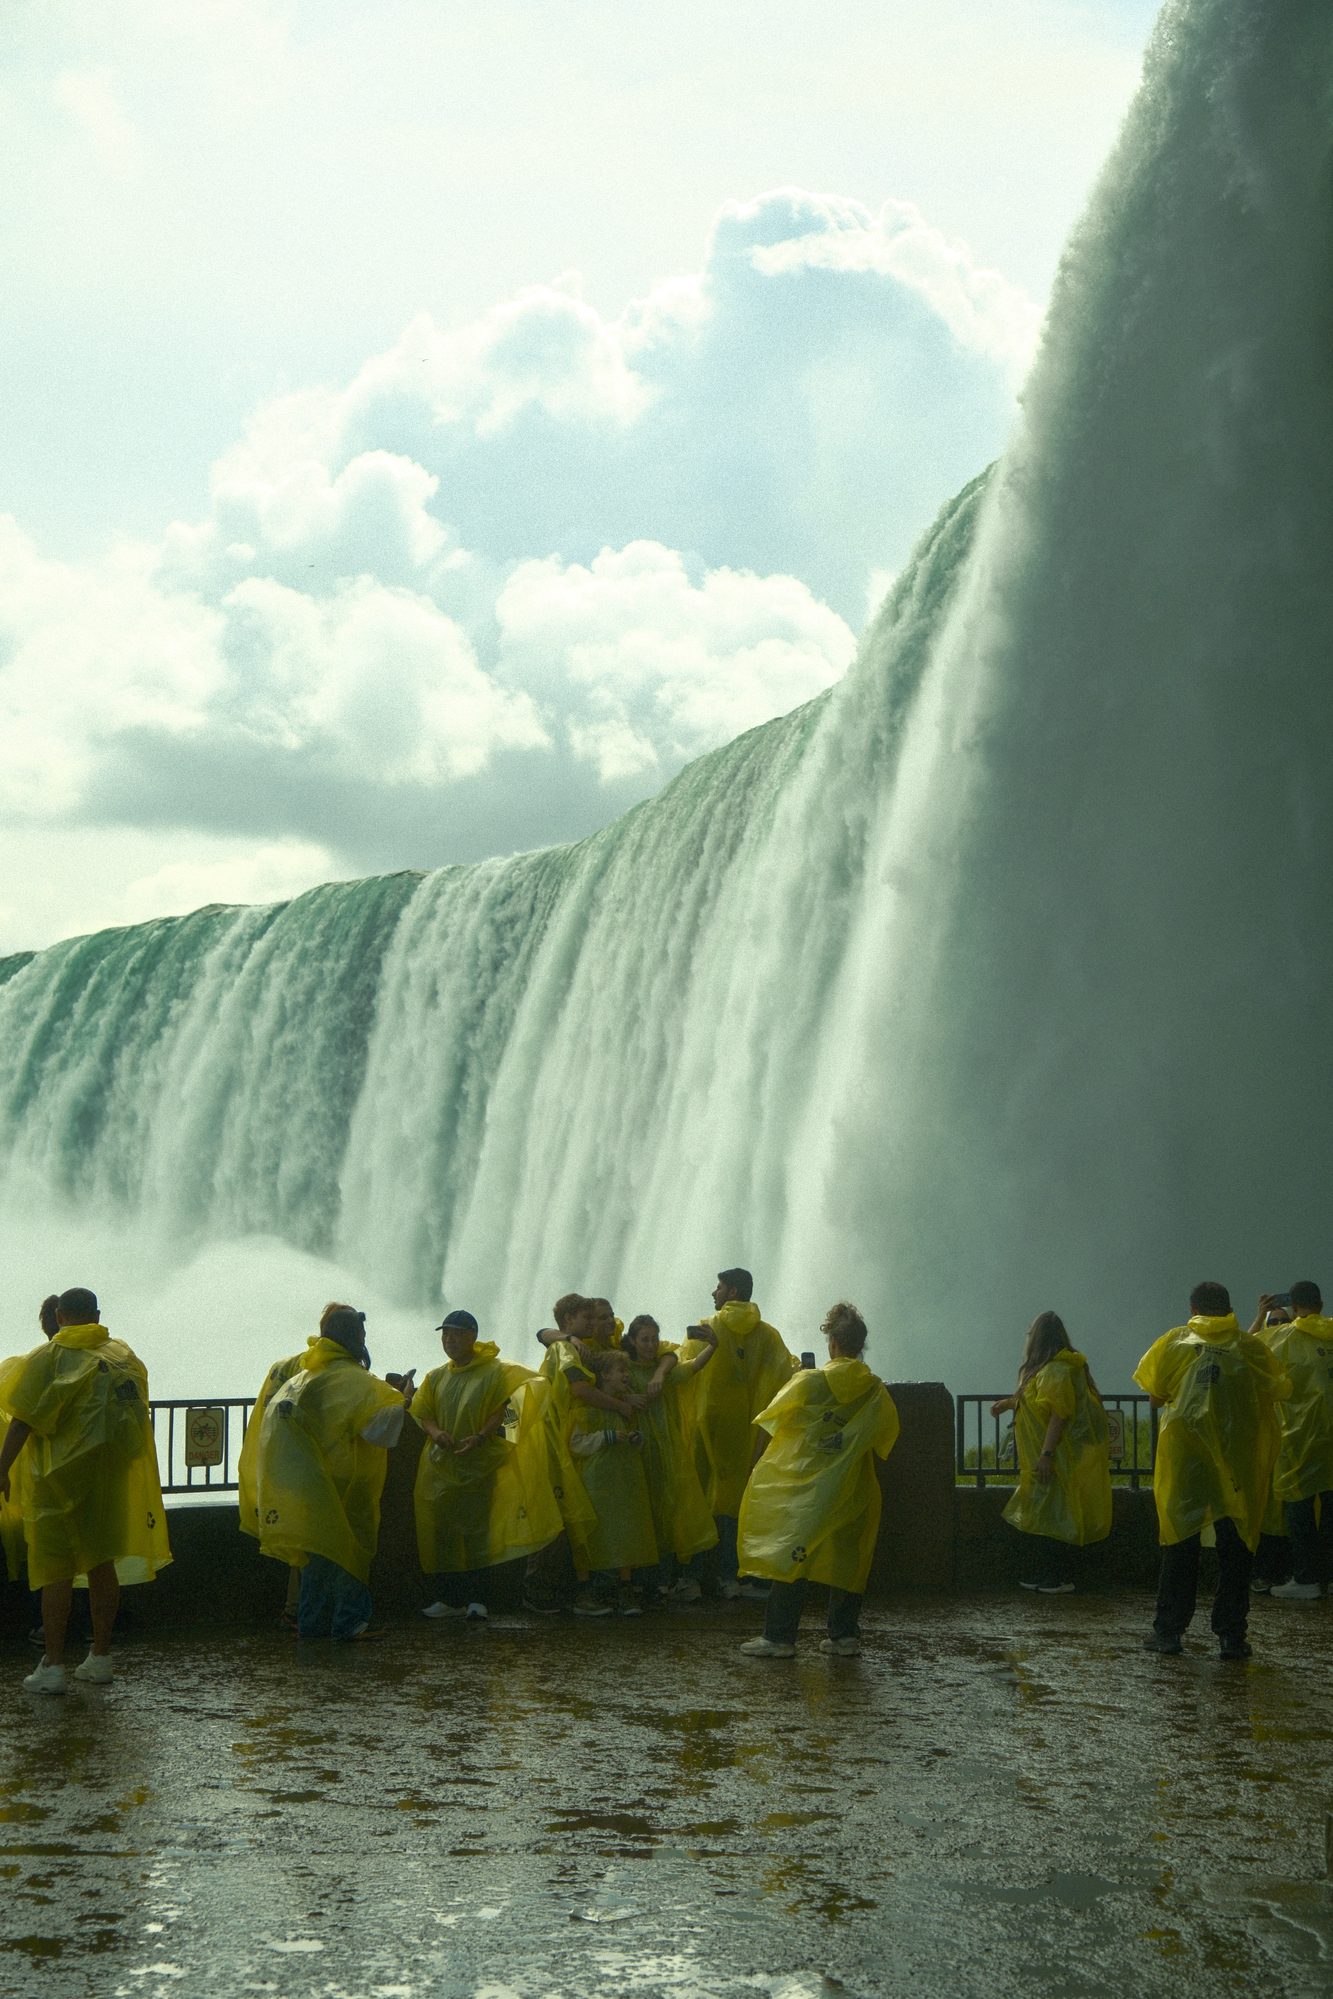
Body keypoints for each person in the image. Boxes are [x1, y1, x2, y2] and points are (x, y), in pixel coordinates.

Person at [0, 1286, 171, 1693]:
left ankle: (54, 1664)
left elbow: (22, 1418)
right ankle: (101, 1657)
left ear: (60, 1316)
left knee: (55, 1573)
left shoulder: (50, 1356)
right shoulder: (123, 1356)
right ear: (97, 1314)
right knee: (101, 1565)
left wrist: (3, 1468)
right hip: (109, 1479)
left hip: (58, 1482)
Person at [1135, 1281, 1290, 1660]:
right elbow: (1273, 1393)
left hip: (1186, 1462)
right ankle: (1231, 1637)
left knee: (1180, 1544)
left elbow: (1155, 1396)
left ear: (1193, 1309)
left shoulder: (1174, 1342)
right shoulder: (1250, 1347)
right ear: (1229, 1308)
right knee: (1235, 1548)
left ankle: (1169, 1632)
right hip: (1237, 1464)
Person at [736, 1301, 899, 1658]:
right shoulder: (874, 1388)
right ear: (860, 1345)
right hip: (854, 1485)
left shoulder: (809, 1382)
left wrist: (757, 1466)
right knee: (848, 1558)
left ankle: (779, 1637)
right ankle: (844, 1636)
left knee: (793, 1552)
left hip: (807, 1487)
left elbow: (771, 1421)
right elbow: (884, 1436)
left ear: (833, 1343)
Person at [255, 1306, 405, 1641]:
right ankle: (350, 1623)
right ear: (358, 1338)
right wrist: (399, 1400)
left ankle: (311, 1626)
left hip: (305, 1486)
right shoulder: (354, 1380)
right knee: (349, 1553)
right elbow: (382, 1432)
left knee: (317, 1557)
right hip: (344, 1485)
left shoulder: (302, 1377)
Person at [411, 1309, 561, 1619]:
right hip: (443, 1467)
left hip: (481, 1462)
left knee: (480, 1534)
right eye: (445, 1334)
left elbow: (513, 1403)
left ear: (472, 1337)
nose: (449, 1340)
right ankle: (450, 1599)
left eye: (456, 1334)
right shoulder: (437, 1376)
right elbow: (422, 1410)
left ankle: (479, 1600)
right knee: (445, 1535)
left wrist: (485, 1437)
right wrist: (437, 1433)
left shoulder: (495, 1372)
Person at [679, 1268, 795, 1598]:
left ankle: (694, 1577)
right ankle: (734, 1576)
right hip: (746, 1434)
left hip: (707, 1429)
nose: (713, 1293)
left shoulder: (706, 1327)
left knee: (701, 1498)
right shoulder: (768, 1335)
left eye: (718, 1288)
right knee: (736, 1502)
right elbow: (786, 1375)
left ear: (732, 1292)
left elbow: (683, 1371)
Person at [989, 1311, 1111, 1592]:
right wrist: (1008, 1404)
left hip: (1055, 1455)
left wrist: (1046, 1454)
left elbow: (1059, 1414)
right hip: (1053, 1455)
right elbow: (1037, 1400)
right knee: (1047, 1513)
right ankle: (1045, 1575)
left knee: (1056, 1516)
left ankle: (1057, 1578)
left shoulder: (1055, 1371)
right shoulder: (1055, 1367)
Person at [622, 1315, 718, 1596]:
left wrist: (713, 1346)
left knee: (664, 1515)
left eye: (654, 1339)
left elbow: (692, 1367)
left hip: (664, 1452)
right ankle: (638, 1580)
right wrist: (625, 1399)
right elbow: (600, 1387)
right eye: (644, 1340)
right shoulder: (623, 1368)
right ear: (632, 1341)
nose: (650, 1345)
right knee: (640, 1514)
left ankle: (657, 1580)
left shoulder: (660, 1370)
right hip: (634, 1451)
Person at [1249, 1282, 1333, 1599]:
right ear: (1321, 1303)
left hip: (1303, 1434)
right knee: (1330, 1505)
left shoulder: (1286, 1336)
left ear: (1294, 1307)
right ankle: (1328, 1577)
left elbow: (1248, 1349)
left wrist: (1260, 1315)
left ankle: (1307, 1579)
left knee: (1298, 1504)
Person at [567, 1347, 657, 1615]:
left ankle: (622, 1591)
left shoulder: (623, 1408)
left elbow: (631, 1437)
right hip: (597, 1482)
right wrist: (606, 1437)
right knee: (598, 1536)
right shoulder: (586, 1408)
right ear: (605, 1374)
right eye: (622, 1370)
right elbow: (576, 1444)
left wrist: (635, 1440)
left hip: (624, 1481)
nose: (627, 1375)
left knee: (625, 1533)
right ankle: (590, 1595)